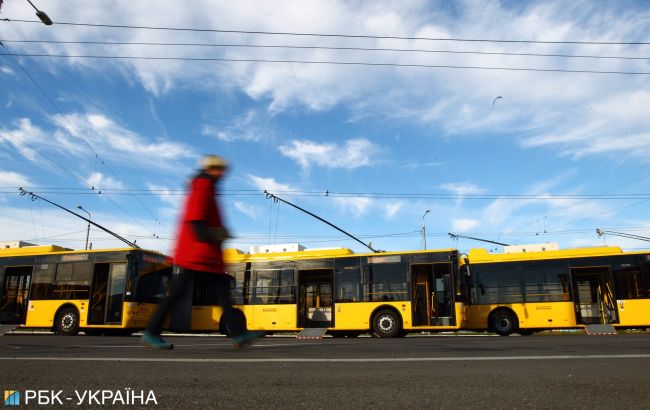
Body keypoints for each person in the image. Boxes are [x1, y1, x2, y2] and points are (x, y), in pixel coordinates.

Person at [142, 155, 263, 349]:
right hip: (198, 254)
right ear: (211, 169)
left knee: (219, 293)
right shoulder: (203, 185)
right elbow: (195, 219)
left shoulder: (208, 187)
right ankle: (151, 332)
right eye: (219, 169)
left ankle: (239, 335)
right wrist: (217, 234)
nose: (223, 174)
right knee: (183, 293)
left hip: (204, 255)